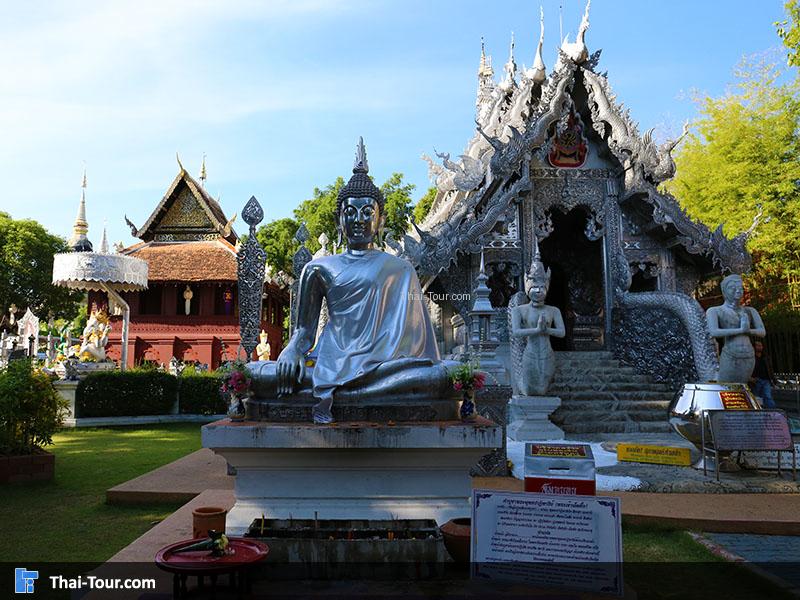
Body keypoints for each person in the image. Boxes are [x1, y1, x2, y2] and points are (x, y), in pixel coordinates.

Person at [248, 138, 457, 423]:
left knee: (440, 375)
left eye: (367, 212)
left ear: (380, 220)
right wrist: (291, 351)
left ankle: (347, 393)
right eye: (350, 212)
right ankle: (354, 393)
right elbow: (303, 333)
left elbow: (415, 342)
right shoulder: (318, 268)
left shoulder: (400, 269)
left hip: (387, 367)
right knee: (258, 375)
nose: (358, 219)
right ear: (338, 221)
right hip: (327, 362)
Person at [706, 274, 766, 383]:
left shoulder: (750, 311)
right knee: (727, 387)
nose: (738, 291)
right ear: (724, 291)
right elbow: (713, 332)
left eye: (740, 288)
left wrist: (748, 331)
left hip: (749, 354)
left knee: (742, 387)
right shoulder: (714, 311)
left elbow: (762, 332)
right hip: (731, 353)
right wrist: (741, 330)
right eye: (733, 288)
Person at [750, 340, 776, 409]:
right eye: (758, 345)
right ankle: (756, 411)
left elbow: (770, 369)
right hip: (755, 380)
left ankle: (772, 412)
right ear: (754, 347)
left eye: (761, 346)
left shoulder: (766, 357)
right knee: (756, 397)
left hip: (766, 380)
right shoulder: (751, 358)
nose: (760, 347)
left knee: (768, 396)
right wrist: (750, 378)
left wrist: (773, 380)